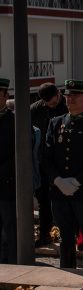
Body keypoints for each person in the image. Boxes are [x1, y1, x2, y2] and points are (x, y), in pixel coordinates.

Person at [43, 79, 83, 270]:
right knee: (65, 236)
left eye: (75, 95)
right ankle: (67, 274)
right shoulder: (56, 123)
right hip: (59, 192)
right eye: (67, 95)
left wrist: (76, 182)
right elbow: (46, 157)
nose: (70, 99)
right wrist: (58, 180)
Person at [30, 82, 67, 247]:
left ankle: (69, 235)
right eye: (47, 104)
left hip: (61, 162)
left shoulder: (67, 106)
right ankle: (45, 233)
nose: (51, 106)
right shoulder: (35, 109)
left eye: (53, 102)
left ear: (58, 94)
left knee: (64, 200)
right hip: (41, 160)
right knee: (43, 199)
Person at [0, 77, 17, 263]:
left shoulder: (14, 121)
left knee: (9, 230)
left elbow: (19, 154)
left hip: (7, 185)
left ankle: (12, 266)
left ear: (6, 96)